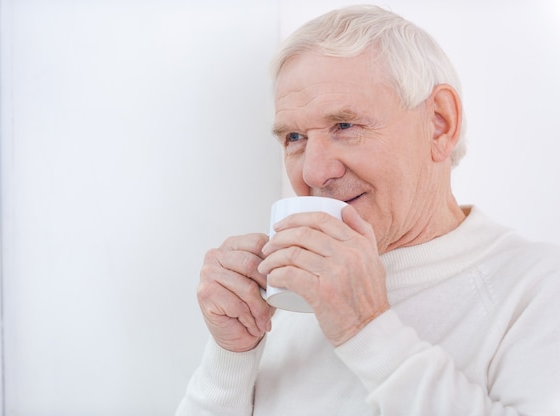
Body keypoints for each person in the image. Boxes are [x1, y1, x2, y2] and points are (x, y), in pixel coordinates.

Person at [176, 5, 560, 415]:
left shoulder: (537, 289)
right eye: (294, 136)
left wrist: (366, 329)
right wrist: (231, 357)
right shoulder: (289, 295)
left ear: (439, 123)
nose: (314, 171)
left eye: (345, 126)